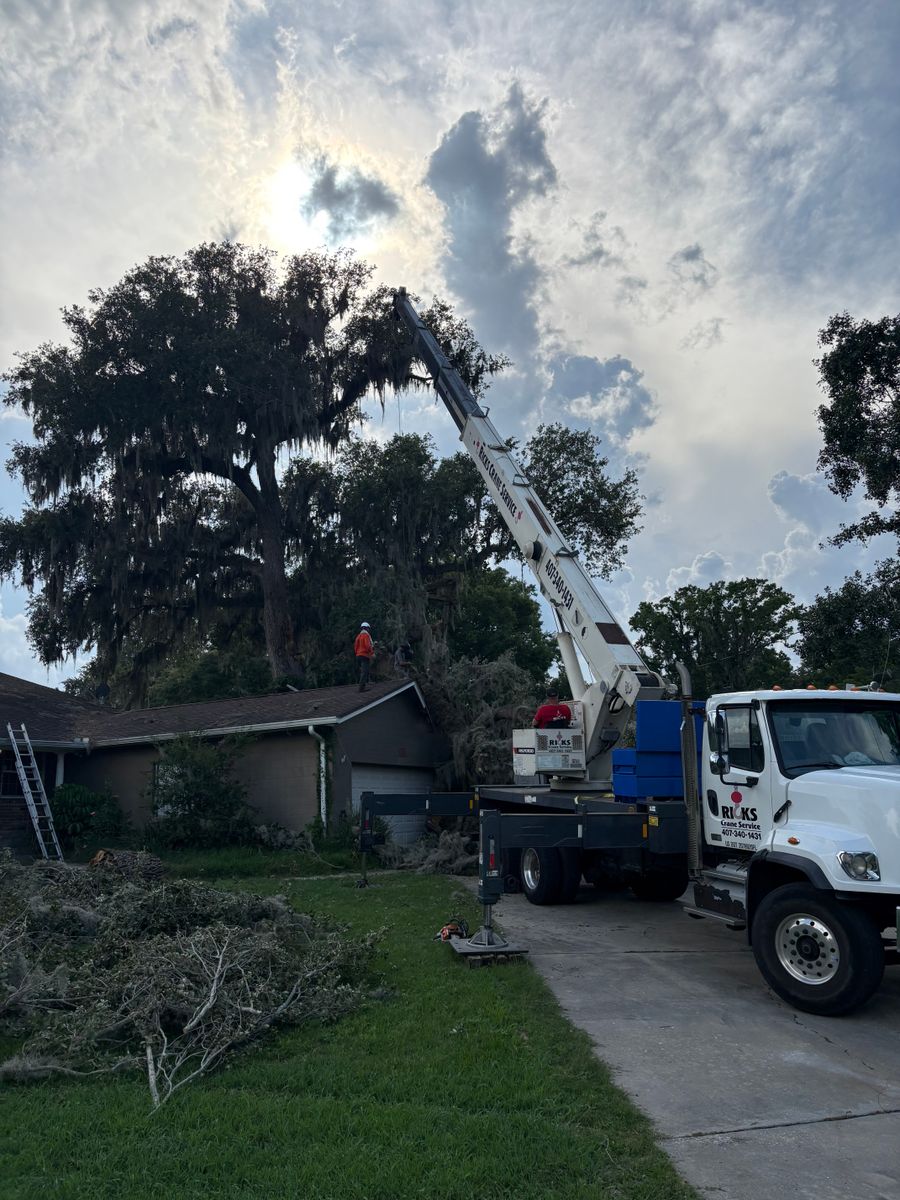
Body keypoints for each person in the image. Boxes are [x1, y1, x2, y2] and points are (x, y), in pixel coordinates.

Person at [354, 622, 375, 691]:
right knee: (364, 671)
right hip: (364, 655)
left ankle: (365, 683)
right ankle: (361, 688)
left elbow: (355, 647)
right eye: (368, 628)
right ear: (367, 628)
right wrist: (372, 653)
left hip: (358, 655)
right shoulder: (365, 635)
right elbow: (367, 645)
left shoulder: (358, 636)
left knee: (363, 671)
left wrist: (357, 653)